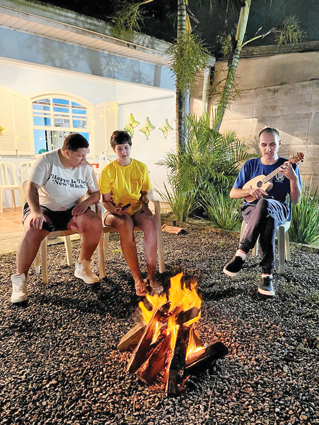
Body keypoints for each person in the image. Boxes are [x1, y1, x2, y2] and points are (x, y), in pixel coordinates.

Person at [11, 133, 102, 304]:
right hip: (44, 208)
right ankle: (20, 281)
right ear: (66, 152)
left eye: (86, 154)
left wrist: (86, 203)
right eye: (80, 155)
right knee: (33, 226)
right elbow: (31, 189)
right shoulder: (47, 160)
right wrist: (36, 211)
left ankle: (83, 267)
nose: (84, 159)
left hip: (72, 210)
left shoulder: (86, 167)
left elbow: (96, 194)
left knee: (95, 223)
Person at [223, 127, 302, 297]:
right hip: (251, 208)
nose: (268, 149)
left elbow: (295, 200)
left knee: (267, 204)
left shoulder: (288, 167)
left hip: (279, 208)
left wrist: (293, 179)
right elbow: (233, 193)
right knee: (267, 216)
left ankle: (241, 253)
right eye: (264, 145)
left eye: (272, 144)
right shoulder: (250, 165)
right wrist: (248, 192)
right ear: (258, 145)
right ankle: (267, 276)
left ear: (279, 144)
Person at [99, 130, 163, 297]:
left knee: (150, 223)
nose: (124, 152)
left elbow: (146, 192)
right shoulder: (107, 171)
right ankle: (137, 278)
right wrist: (114, 210)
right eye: (120, 148)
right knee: (125, 223)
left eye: (126, 147)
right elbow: (105, 201)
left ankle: (151, 276)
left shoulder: (141, 167)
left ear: (130, 147)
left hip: (136, 208)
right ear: (114, 149)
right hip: (113, 212)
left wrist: (146, 203)